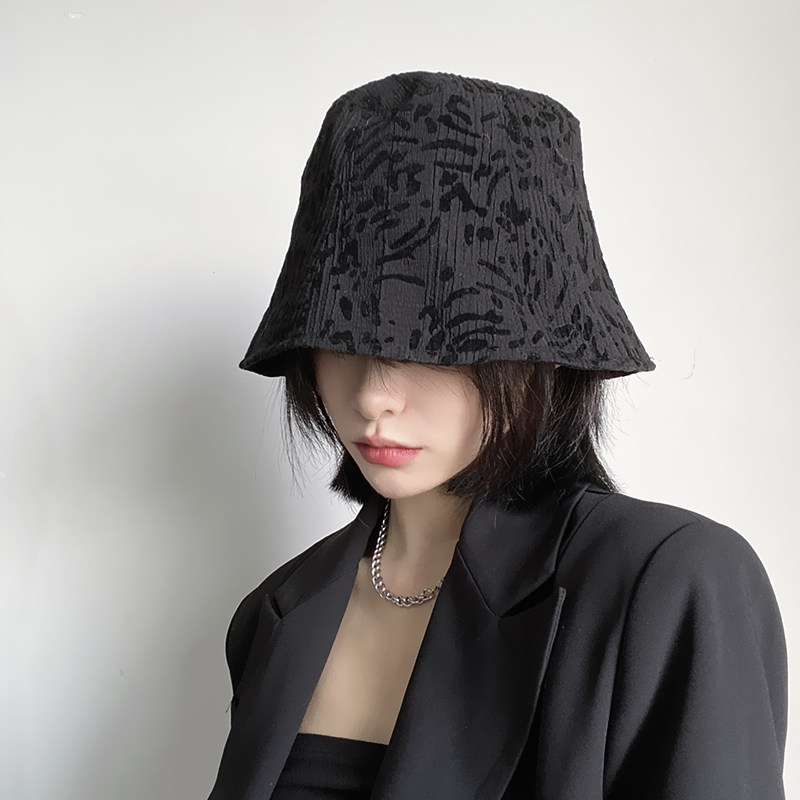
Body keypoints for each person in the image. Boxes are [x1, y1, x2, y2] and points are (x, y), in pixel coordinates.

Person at [208, 72, 787, 799]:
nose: (374, 397)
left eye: (436, 346)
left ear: (542, 354)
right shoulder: (276, 614)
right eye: (343, 339)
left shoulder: (668, 582)